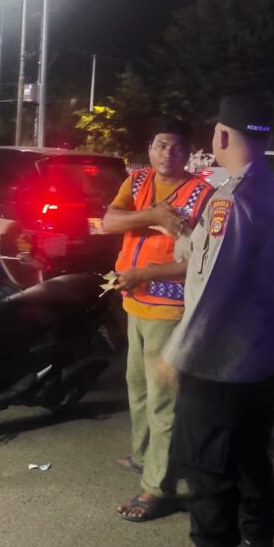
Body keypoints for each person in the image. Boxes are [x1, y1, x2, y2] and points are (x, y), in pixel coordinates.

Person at [151, 95, 274, 547]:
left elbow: (214, 286)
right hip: (259, 359)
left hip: (219, 366)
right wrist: (190, 236)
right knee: (252, 463)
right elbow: (224, 256)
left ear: (223, 136)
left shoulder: (233, 198)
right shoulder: (269, 188)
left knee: (209, 471)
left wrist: (177, 354)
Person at [103, 120, 214, 522]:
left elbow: (201, 260)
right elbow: (109, 221)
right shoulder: (137, 182)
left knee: (164, 399)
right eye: (162, 145)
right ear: (150, 147)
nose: (169, 153)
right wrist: (152, 215)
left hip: (169, 308)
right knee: (137, 388)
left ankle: (158, 487)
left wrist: (146, 273)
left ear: (189, 154)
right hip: (134, 302)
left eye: (178, 147)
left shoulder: (203, 194)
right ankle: (143, 456)